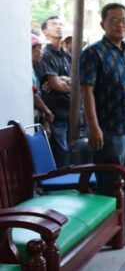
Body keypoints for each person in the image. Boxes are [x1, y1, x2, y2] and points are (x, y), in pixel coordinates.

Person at [79, 3, 125, 238]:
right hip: (109, 129)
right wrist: (93, 126)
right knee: (110, 181)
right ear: (103, 24)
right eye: (115, 20)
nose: (121, 25)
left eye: (124, 20)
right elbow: (86, 90)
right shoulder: (93, 53)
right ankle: (110, 233)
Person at [35, 15, 72, 167]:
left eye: (61, 24)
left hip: (70, 112)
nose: (59, 27)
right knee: (61, 153)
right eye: (54, 24)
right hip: (54, 113)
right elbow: (56, 85)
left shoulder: (66, 55)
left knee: (71, 151)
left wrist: (63, 79)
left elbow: (79, 81)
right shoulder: (46, 54)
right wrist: (61, 82)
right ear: (45, 31)